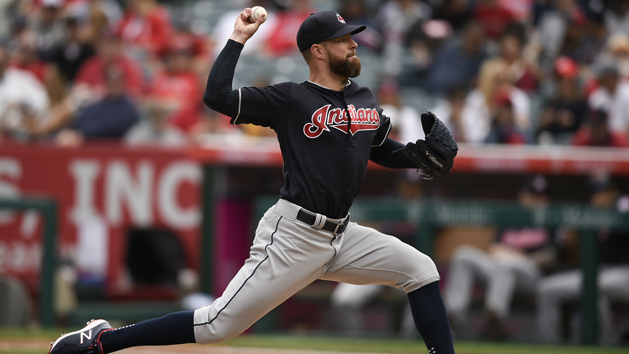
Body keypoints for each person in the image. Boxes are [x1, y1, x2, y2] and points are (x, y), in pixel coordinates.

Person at [48, 9, 457, 354]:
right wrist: (238, 39)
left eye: (352, 37)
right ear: (318, 50)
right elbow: (217, 97)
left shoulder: (364, 96)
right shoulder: (290, 98)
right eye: (343, 39)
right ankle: (103, 340)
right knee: (217, 326)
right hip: (295, 235)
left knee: (420, 269)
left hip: (343, 235)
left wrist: (418, 157)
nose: (353, 44)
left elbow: (379, 148)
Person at [444, 175, 563, 340]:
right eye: (532, 195)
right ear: (523, 196)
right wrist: (514, 256)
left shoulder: (552, 221)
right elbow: (493, 249)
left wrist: (516, 257)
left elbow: (551, 257)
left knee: (504, 265)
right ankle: (453, 318)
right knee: (463, 255)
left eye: (541, 197)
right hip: (501, 270)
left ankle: (495, 322)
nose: (536, 200)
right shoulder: (512, 217)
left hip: (531, 275)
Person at [536, 172, 629, 344]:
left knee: (593, 288)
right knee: (546, 290)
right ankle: (550, 347)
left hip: (623, 271)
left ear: (613, 191)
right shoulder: (587, 212)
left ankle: (606, 346)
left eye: (604, 191)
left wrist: (607, 214)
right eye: (595, 192)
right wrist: (569, 239)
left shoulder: (623, 204)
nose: (599, 196)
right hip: (596, 272)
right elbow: (560, 245)